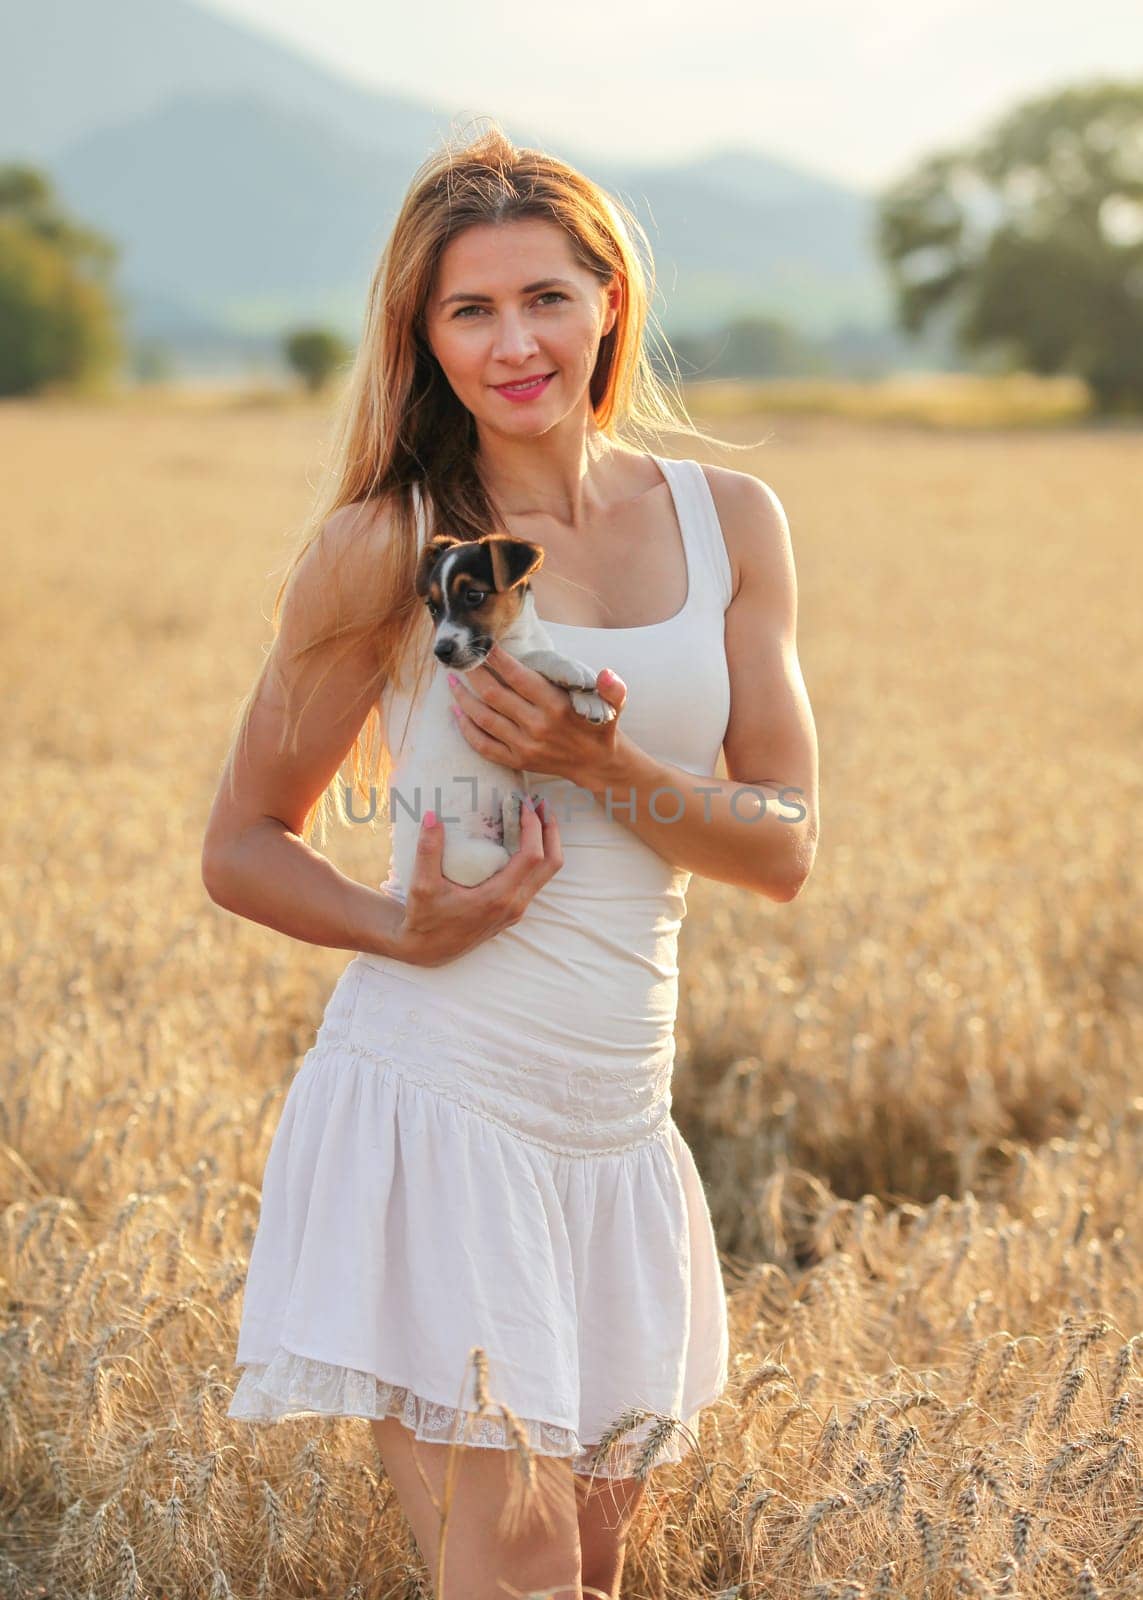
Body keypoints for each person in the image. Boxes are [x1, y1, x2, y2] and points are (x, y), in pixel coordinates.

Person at [202, 118, 819, 1600]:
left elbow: (785, 849)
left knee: (592, 1587)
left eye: (545, 295)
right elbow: (241, 844)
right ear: (423, 338)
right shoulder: (389, 541)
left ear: (611, 299)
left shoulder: (728, 522)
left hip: (616, 1134)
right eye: (469, 309)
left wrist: (604, 765)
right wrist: (395, 928)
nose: (514, 340)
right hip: (441, 1111)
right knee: (525, 1590)